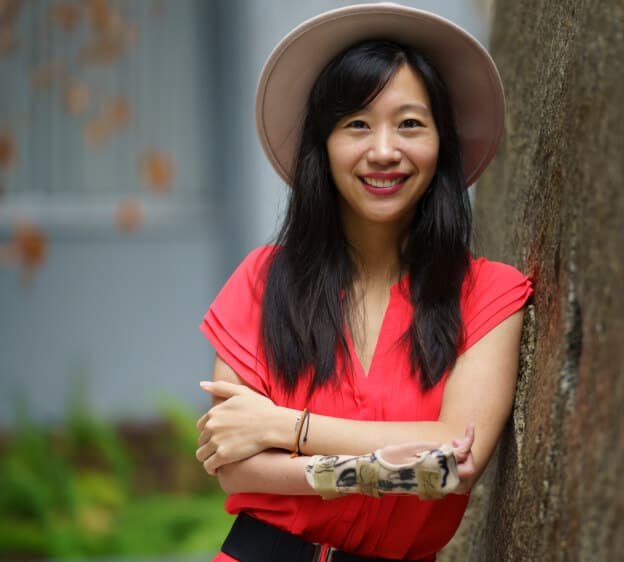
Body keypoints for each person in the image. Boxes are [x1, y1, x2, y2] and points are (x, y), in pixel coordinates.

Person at [194, 4, 531, 561]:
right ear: (322, 145)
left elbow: (455, 460)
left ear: (442, 143)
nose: (383, 151)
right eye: (357, 124)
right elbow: (235, 464)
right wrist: (391, 466)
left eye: (410, 124)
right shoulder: (262, 279)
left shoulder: (490, 295)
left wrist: (286, 427)